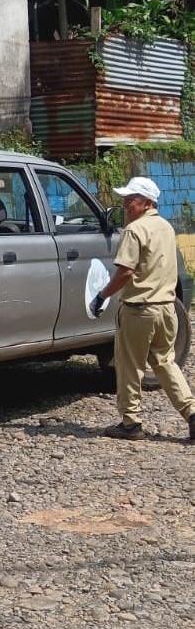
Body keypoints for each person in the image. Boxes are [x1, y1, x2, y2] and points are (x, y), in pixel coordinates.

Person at [90, 176, 195, 442]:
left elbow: (125, 272)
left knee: (129, 366)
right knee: (165, 362)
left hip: (139, 309)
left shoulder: (135, 231)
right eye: (124, 201)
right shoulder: (165, 227)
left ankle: (130, 422)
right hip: (167, 308)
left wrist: (102, 295)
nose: (125, 206)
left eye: (130, 201)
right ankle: (191, 413)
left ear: (147, 203)